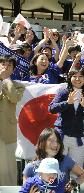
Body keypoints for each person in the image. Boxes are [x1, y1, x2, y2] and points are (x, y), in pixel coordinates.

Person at [48, 67, 84, 168]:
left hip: (77, 135)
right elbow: (51, 108)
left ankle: (74, 184)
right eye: (74, 76)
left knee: (77, 167)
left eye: (80, 76)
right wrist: (67, 103)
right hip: (62, 135)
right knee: (59, 166)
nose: (77, 79)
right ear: (70, 78)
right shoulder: (64, 92)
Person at [22, 128, 84, 192]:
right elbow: (24, 189)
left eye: (58, 141)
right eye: (51, 140)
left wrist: (74, 183)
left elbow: (83, 175)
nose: (56, 145)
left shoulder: (66, 160)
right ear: (42, 142)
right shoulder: (30, 167)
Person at [0, 55, 25, 185]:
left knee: (9, 167)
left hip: (7, 131)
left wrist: (6, 80)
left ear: (13, 69)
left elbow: (14, 98)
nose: (5, 66)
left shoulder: (18, 86)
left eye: (9, 65)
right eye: (3, 63)